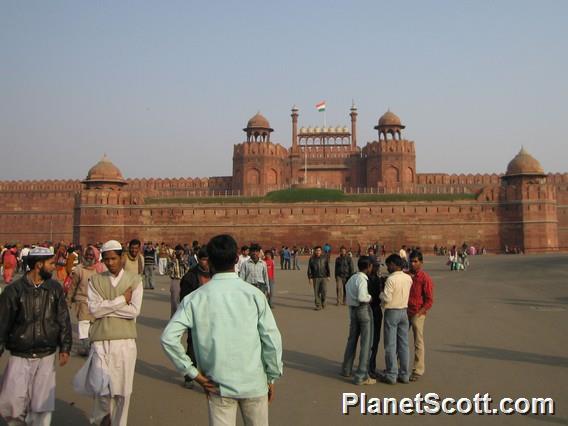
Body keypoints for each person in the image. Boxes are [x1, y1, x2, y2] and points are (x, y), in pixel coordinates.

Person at [161, 234, 283, 426]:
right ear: (236, 259)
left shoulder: (195, 298)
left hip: (217, 385)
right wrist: (272, 376)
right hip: (254, 382)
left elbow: (168, 338)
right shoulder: (254, 295)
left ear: (208, 260)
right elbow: (271, 340)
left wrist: (193, 374)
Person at [0, 247, 72, 426]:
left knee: (41, 406)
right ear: (38, 265)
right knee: (13, 404)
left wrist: (65, 347)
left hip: (45, 354)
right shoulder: (14, 291)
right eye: (51, 263)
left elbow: (63, 318)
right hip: (20, 355)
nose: (54, 267)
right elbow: (3, 322)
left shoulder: (54, 289)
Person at [75, 240, 143, 426]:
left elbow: (134, 311)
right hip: (100, 342)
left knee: (122, 392)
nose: (110, 263)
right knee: (102, 392)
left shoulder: (135, 281)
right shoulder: (95, 280)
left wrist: (107, 306)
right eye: (106, 259)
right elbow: (94, 311)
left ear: (121, 257)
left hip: (125, 341)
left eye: (113, 258)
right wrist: (122, 300)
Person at [341, 256, 376, 385]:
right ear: (369, 267)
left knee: (352, 340)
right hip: (362, 309)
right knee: (366, 343)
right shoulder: (362, 279)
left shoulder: (352, 278)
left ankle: (346, 368)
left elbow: (348, 291)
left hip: (353, 310)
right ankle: (361, 375)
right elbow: (362, 297)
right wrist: (369, 297)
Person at [179, 247, 210, 389]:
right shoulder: (190, 276)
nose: (206, 262)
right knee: (192, 347)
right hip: (195, 317)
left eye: (208, 259)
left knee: (211, 348)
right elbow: (184, 299)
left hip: (212, 318)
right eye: (204, 259)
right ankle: (189, 376)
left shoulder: (215, 274)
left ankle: (210, 377)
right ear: (199, 259)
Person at [379, 254, 413, 385]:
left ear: (394, 264)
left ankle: (392, 374)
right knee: (404, 344)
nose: (388, 268)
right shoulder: (408, 278)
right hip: (404, 311)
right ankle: (404, 374)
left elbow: (386, 298)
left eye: (388, 265)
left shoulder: (391, 279)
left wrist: (381, 292)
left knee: (390, 345)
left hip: (392, 311)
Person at [67, 245, 106, 356]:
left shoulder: (100, 269)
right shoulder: (80, 269)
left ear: (96, 256)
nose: (89, 257)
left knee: (93, 325)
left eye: (91, 255)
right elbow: (73, 286)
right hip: (82, 299)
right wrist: (68, 300)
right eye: (87, 255)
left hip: (96, 301)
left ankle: (91, 346)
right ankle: (85, 347)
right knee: (83, 323)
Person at [408, 251, 434, 382]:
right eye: (411, 261)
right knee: (398, 339)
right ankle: (395, 367)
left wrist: (420, 312)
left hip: (417, 312)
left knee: (418, 341)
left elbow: (429, 300)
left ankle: (418, 369)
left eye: (415, 261)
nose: (412, 263)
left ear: (421, 263)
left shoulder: (425, 278)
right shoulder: (406, 276)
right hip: (404, 311)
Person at [367, 259, 384, 377]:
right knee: (373, 340)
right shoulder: (374, 280)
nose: (378, 268)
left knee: (368, 340)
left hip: (367, 311)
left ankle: (367, 364)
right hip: (374, 310)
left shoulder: (364, 278)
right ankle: (370, 367)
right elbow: (377, 297)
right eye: (376, 266)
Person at [307, 246, 330, 310]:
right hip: (315, 277)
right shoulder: (312, 259)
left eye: (319, 250)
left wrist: (328, 275)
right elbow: (309, 269)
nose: (318, 252)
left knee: (324, 291)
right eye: (317, 250)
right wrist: (310, 278)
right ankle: (318, 305)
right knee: (316, 292)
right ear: (315, 251)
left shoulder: (324, 258)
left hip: (323, 277)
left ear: (321, 251)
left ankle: (323, 302)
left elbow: (327, 267)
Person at [168, 245, 189, 317]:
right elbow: (169, 271)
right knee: (174, 300)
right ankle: (173, 317)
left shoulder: (185, 259)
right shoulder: (172, 260)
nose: (179, 252)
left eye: (181, 250)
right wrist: (173, 260)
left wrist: (181, 260)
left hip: (184, 280)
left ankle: (182, 317)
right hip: (175, 280)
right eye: (178, 250)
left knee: (184, 300)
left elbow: (187, 268)